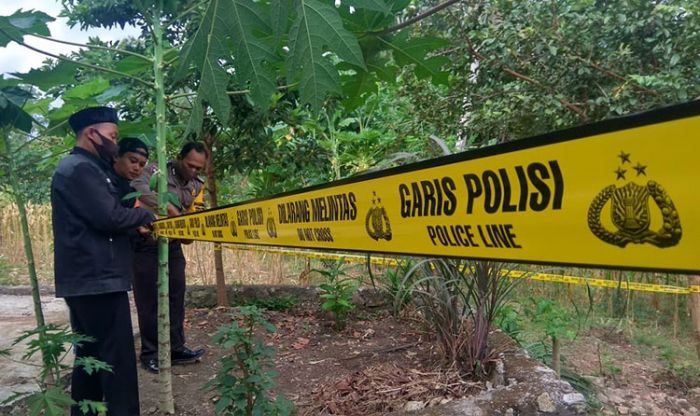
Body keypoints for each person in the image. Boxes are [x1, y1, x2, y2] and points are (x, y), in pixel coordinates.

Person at [51, 107, 156, 416]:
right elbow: (108, 216)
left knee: (92, 358)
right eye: (112, 136)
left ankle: (85, 412)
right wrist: (146, 216)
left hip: (89, 279)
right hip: (96, 280)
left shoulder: (91, 168)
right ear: (91, 134)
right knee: (118, 362)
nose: (115, 142)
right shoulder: (79, 169)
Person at [131, 142, 207, 373]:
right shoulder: (155, 172)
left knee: (176, 296)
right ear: (179, 158)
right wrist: (171, 209)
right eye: (190, 165)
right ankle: (150, 353)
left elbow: (197, 214)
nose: (193, 171)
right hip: (146, 245)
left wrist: (191, 229)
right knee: (149, 302)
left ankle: (175, 348)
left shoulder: (197, 185)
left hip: (173, 247)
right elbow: (138, 188)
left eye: (198, 168)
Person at [112, 137, 150, 208]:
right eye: (133, 161)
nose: (137, 168)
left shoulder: (128, 189)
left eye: (142, 165)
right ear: (116, 156)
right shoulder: (102, 181)